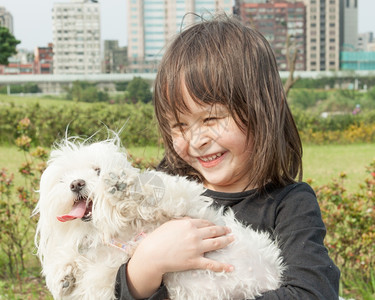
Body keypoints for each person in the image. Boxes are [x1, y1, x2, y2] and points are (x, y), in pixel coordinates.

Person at [115, 14, 340, 299]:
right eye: (180, 125)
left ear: (263, 109)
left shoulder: (289, 205)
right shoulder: (162, 191)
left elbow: (314, 293)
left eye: (211, 119)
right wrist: (147, 263)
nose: (197, 140)